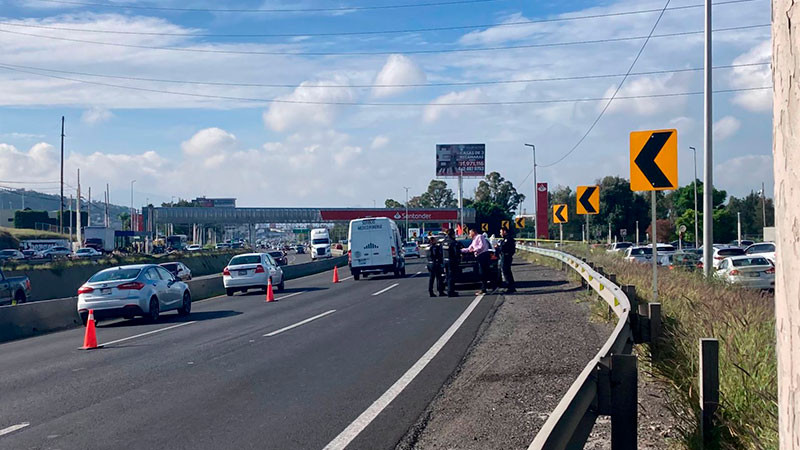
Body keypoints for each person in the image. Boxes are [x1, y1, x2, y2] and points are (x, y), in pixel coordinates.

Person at [462, 228, 491, 295]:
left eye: (470, 233)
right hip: (479, 257)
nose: (469, 234)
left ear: (474, 232)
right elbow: (469, 249)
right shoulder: (474, 240)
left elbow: (482, 246)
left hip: (483, 255)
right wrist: (460, 250)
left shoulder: (480, 236)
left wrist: (474, 250)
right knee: (481, 272)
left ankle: (484, 288)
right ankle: (484, 288)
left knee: (483, 272)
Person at [441, 228, 461, 297]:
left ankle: (449, 290)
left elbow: (441, 252)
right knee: (451, 277)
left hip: (445, 261)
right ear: (452, 234)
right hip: (451, 261)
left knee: (447, 276)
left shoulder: (444, 242)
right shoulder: (453, 242)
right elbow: (456, 252)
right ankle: (451, 292)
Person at [496, 226, 516, 293]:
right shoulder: (505, 239)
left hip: (506, 256)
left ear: (504, 231)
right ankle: (510, 286)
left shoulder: (508, 239)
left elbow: (503, 248)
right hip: (505, 256)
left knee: (506, 272)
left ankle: (510, 287)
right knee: (506, 272)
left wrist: (498, 247)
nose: (500, 233)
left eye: (501, 232)